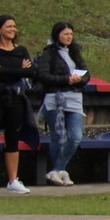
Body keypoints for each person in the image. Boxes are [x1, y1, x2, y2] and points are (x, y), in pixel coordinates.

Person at [0, 14, 36, 195]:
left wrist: (3, 69)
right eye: (8, 26)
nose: (12, 29)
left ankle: (13, 180)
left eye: (14, 26)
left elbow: (30, 72)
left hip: (16, 97)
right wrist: (18, 70)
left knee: (13, 137)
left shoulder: (21, 50)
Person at [36, 21, 88, 187]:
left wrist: (79, 79)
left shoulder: (75, 52)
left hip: (74, 97)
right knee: (58, 136)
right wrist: (65, 79)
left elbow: (86, 73)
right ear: (57, 34)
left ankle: (58, 169)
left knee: (75, 136)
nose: (69, 37)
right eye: (66, 34)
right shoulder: (49, 54)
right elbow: (43, 75)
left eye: (71, 34)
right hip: (55, 97)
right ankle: (60, 171)